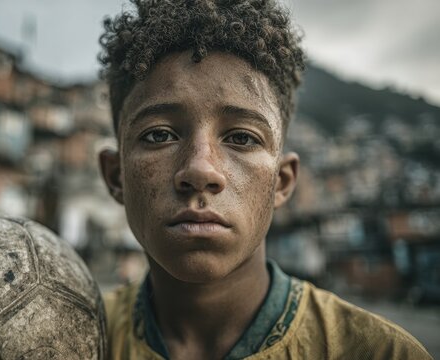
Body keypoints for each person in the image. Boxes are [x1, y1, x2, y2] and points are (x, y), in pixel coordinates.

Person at [97, 0, 432, 359]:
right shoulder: (74, 337)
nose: (200, 170)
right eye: (159, 135)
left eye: (241, 138)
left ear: (282, 182)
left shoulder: (380, 352)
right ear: (116, 176)